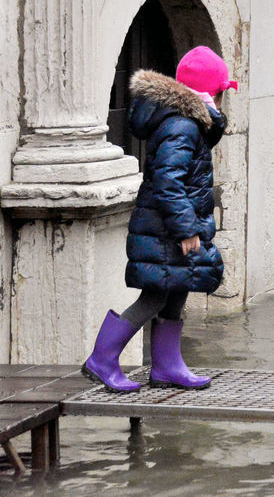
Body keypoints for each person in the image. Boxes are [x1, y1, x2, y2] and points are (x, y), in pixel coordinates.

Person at [82, 45, 237, 392]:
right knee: (153, 296)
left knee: (177, 288)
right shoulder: (182, 125)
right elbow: (168, 181)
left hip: (169, 226)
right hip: (167, 228)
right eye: (223, 91)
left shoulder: (188, 122)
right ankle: (102, 359)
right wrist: (186, 229)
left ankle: (167, 366)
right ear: (212, 91)